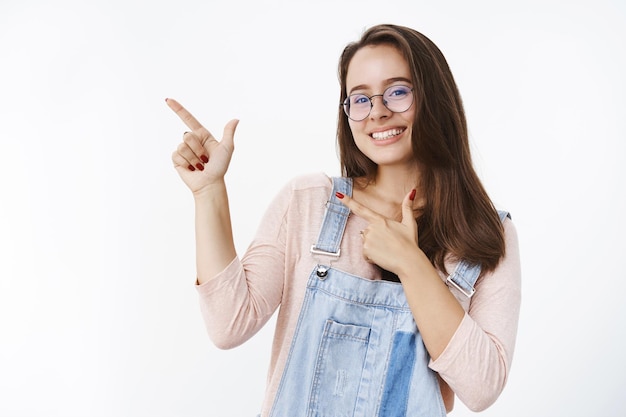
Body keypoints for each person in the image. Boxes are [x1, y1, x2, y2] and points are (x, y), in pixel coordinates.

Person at [167, 24, 521, 416]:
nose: (378, 111)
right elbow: (229, 324)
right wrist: (208, 192)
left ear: (435, 98)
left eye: (398, 91)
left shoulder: (487, 233)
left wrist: (410, 263)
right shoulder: (310, 201)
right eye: (360, 99)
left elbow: (482, 387)